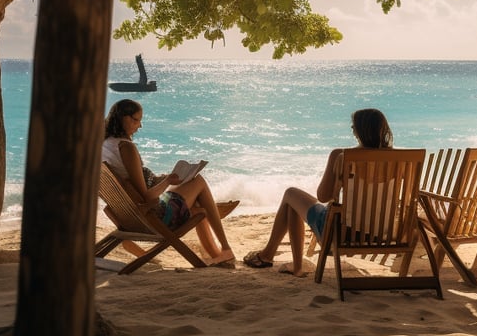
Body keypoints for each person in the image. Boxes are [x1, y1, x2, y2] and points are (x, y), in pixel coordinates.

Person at [243, 108, 394, 276]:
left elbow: (323, 196)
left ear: (359, 130)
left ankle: (273, 257)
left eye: (353, 126)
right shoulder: (398, 160)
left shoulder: (342, 156)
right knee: (291, 204)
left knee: (290, 194)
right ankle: (277, 258)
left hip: (341, 234)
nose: (352, 128)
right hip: (380, 234)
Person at [102, 99, 236, 266]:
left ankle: (216, 254)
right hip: (156, 218)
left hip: (130, 218)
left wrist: (166, 179)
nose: (140, 126)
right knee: (199, 181)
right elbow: (148, 197)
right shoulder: (126, 147)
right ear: (124, 118)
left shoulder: (105, 146)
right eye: (136, 120)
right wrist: (167, 182)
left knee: (197, 208)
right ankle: (225, 249)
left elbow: (135, 184)